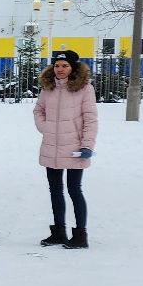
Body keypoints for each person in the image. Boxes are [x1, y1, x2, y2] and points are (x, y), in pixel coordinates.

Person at [34, 49, 97, 249]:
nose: (60, 69)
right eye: (57, 65)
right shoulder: (48, 87)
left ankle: (80, 235)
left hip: (75, 147)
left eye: (65, 65)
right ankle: (59, 232)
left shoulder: (84, 88)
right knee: (55, 190)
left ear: (73, 67)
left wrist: (87, 145)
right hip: (51, 146)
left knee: (74, 190)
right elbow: (38, 110)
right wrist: (46, 127)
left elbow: (91, 119)